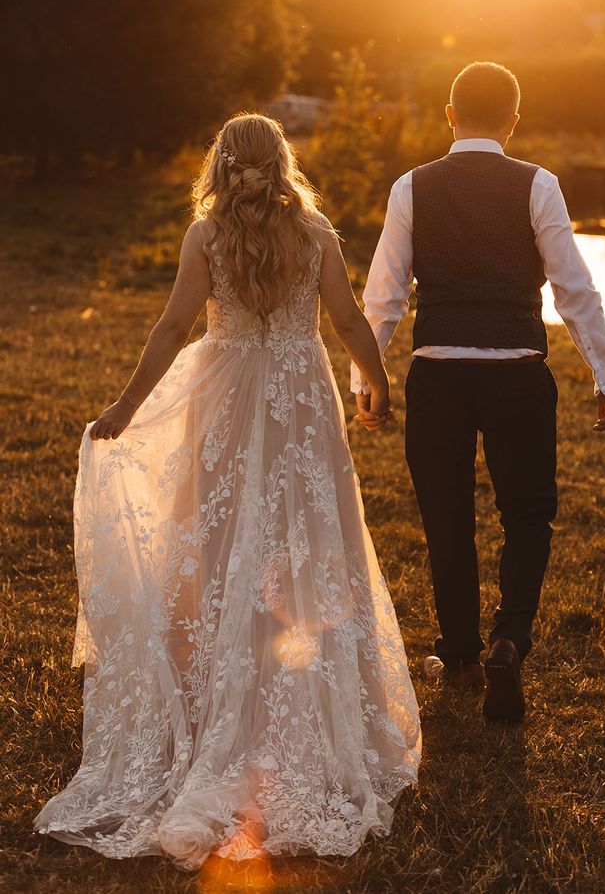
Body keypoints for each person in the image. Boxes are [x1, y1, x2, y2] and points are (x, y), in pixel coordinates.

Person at [34, 113, 421, 871]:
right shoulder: (314, 232)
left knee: (214, 542)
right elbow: (345, 319)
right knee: (308, 539)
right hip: (302, 402)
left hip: (226, 394)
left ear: (220, 164)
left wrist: (126, 405)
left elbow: (176, 326)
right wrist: (377, 383)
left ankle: (218, 689)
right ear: (281, 162)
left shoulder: (205, 236)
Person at [351, 61, 605, 724]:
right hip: (518, 371)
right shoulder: (539, 185)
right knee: (527, 514)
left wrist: (367, 379)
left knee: (447, 519)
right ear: (513, 121)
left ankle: (461, 652)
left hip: (438, 371)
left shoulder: (412, 186)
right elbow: (575, 288)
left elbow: (383, 295)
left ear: (449, 116)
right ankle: (510, 641)